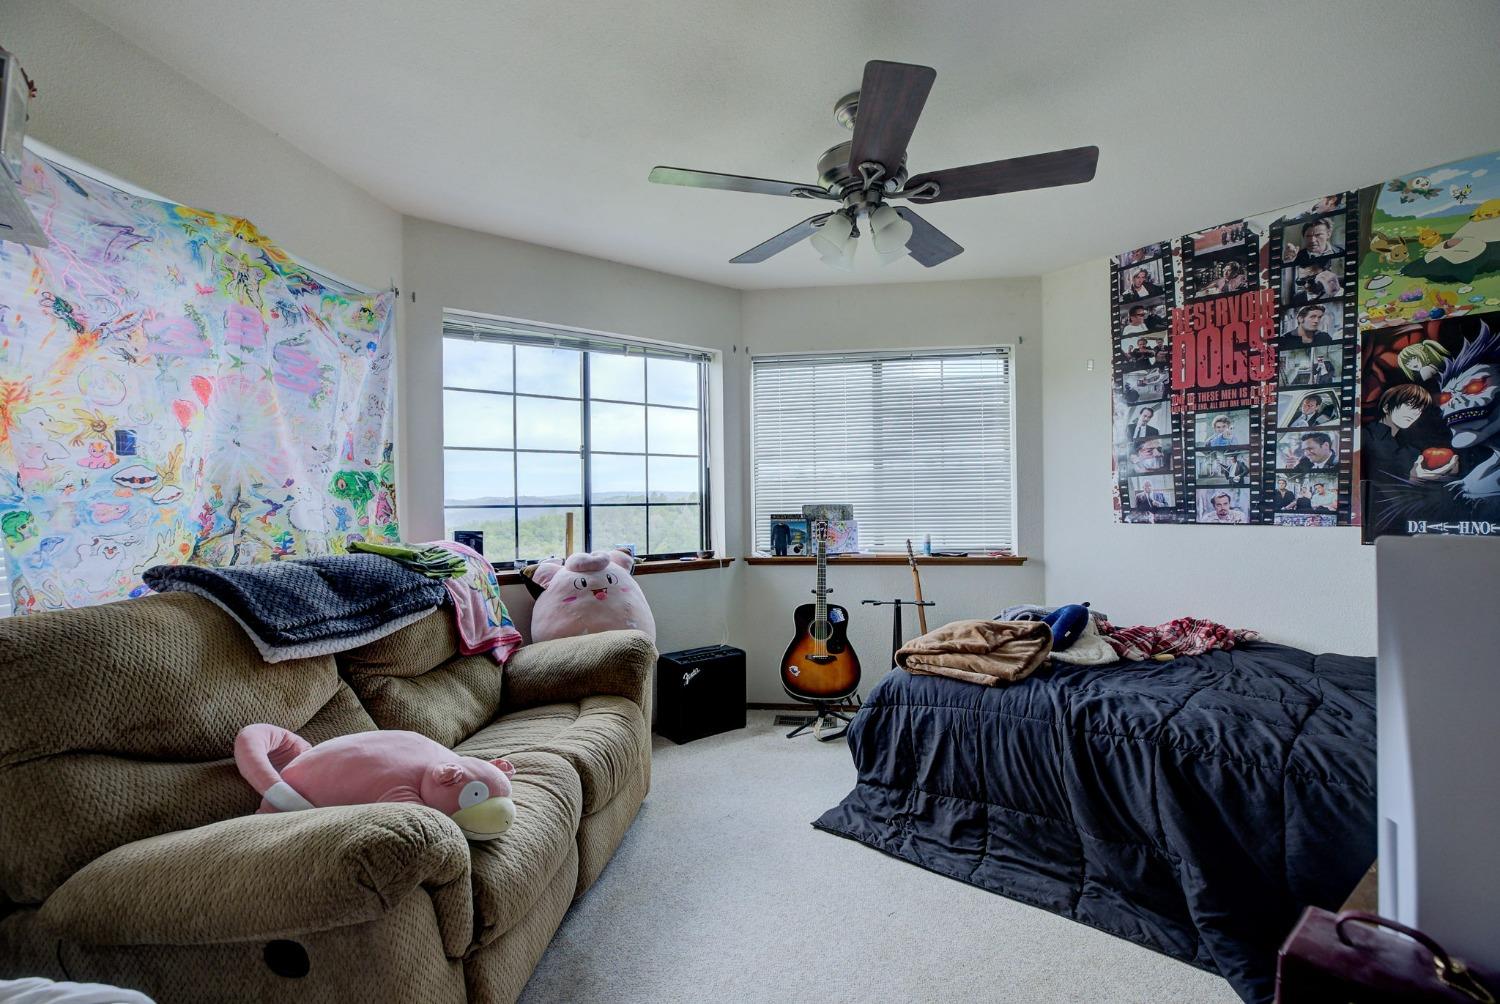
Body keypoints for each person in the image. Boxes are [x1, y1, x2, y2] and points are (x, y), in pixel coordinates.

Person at [1362, 383, 1458, 483]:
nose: (1415, 413)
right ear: (1386, 407)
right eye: (1410, 405)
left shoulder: (1412, 452)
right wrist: (1413, 480)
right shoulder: (1365, 436)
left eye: (1420, 409)